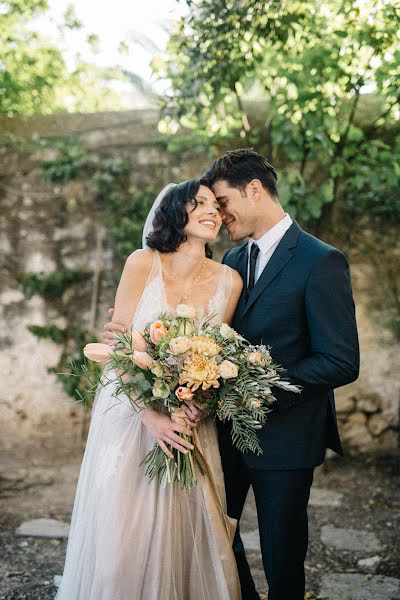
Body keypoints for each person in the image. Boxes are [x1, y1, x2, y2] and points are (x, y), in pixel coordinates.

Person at [104, 149, 360, 600]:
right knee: (219, 539)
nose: (218, 214)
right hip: (220, 432)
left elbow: (340, 360)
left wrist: (253, 389)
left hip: (287, 435)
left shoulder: (321, 261)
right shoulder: (232, 262)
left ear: (255, 190)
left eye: (222, 201)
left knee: (283, 556)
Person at [56, 180, 243, 600]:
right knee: (122, 538)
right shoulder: (142, 262)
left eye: (216, 205)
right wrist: (148, 413)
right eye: (199, 204)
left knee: (185, 533)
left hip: (187, 421)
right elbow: (118, 344)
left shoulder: (230, 280)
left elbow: (219, 356)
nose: (211, 211)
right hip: (129, 413)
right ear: (176, 211)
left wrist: (201, 403)